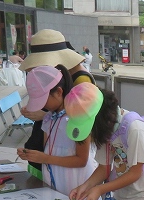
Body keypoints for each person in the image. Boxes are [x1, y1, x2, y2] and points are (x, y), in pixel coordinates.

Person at [16, 66, 102, 200]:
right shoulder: (48, 118)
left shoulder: (77, 117)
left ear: (59, 92)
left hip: (76, 180)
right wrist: (32, 155)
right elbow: (48, 149)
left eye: (44, 100)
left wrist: (45, 158)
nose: (42, 105)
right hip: (54, 177)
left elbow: (81, 160)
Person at [19, 29, 95, 180]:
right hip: (54, 161)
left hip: (71, 168)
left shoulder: (81, 80)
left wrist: (45, 115)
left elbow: (86, 119)